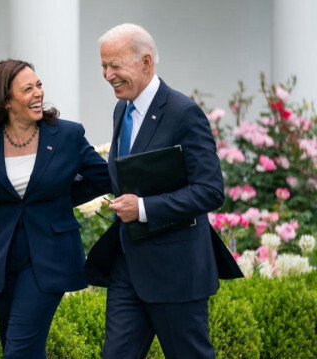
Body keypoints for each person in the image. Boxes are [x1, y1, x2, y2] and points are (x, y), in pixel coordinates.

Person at [0, 59, 110, 358]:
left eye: (39, 85)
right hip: (1, 259)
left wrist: (60, 197)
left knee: (19, 351)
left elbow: (102, 178)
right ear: (5, 100)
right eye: (28, 89)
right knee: (19, 347)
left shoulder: (66, 135)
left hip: (50, 256)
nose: (38, 93)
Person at [90, 23, 243, 358]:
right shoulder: (122, 109)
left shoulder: (183, 113)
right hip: (128, 267)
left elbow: (210, 190)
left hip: (177, 271)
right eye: (103, 66)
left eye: (116, 65)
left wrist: (143, 208)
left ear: (146, 62)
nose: (108, 74)